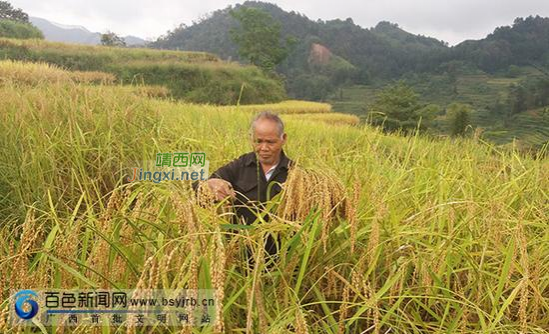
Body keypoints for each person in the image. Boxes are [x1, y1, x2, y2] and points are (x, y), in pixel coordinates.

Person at [198, 111, 293, 257]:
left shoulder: (295, 174)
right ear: (251, 139)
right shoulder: (239, 166)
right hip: (239, 257)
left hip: (281, 260)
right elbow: (200, 189)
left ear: (283, 139)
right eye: (258, 141)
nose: (264, 148)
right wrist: (210, 184)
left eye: (270, 142)